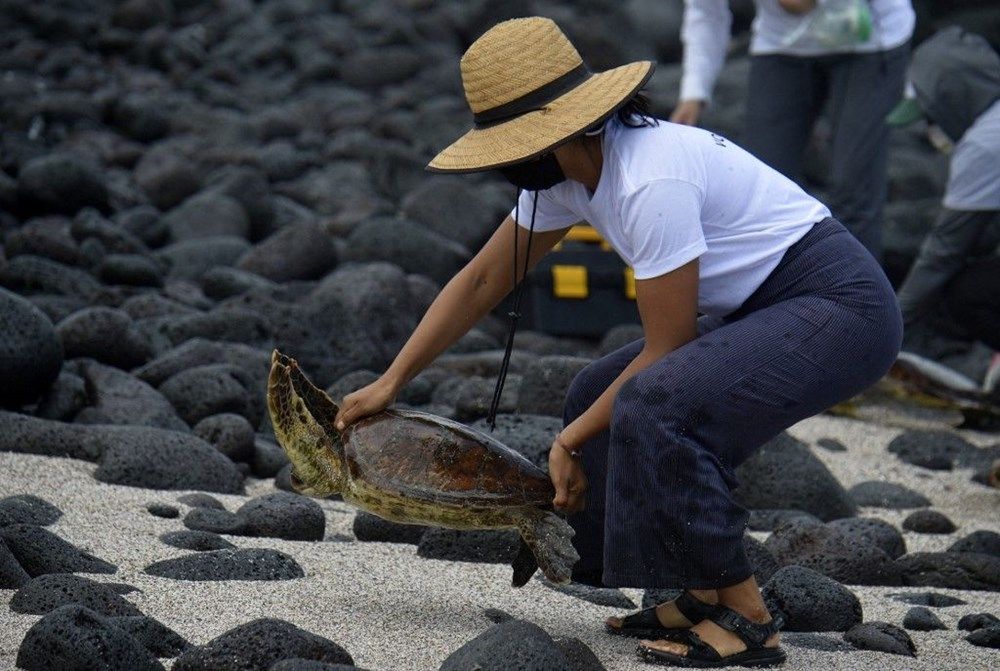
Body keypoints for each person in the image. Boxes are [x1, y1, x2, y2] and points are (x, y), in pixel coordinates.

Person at [333, 17, 902, 668]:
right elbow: (484, 278)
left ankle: (747, 616)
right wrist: (393, 379)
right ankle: (692, 591)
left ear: (556, 134)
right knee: (590, 391)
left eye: (512, 149)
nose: (509, 166)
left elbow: (667, 351)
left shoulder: (647, 181)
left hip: (841, 307)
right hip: (768, 304)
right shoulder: (572, 172)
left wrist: (568, 441)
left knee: (657, 402)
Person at [673, 0, 914, 261]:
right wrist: (694, 93)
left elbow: (798, 3)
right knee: (760, 191)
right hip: (780, 44)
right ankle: (780, 295)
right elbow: (706, 11)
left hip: (871, 37)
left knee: (854, 191)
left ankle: (857, 297)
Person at [888, 27, 1000, 382]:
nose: (932, 131)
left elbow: (942, 254)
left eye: (932, 117)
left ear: (954, 98)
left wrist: (880, 332)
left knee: (967, 291)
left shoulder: (984, 145)